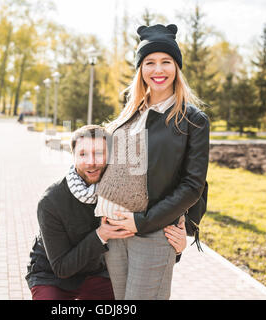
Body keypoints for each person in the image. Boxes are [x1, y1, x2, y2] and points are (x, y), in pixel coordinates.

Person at [94, 24, 210, 300]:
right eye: (150, 63)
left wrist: (145, 222)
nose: (158, 70)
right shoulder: (130, 115)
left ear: (177, 68)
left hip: (154, 231)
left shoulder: (193, 120)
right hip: (114, 231)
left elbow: (193, 185)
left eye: (166, 62)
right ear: (140, 69)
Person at [25, 125, 188, 300]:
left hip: (99, 274)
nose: (91, 162)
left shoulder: (126, 193)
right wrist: (100, 235)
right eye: (83, 154)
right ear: (73, 156)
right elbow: (61, 268)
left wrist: (176, 249)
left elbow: (143, 242)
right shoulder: (51, 202)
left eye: (99, 153)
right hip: (53, 276)